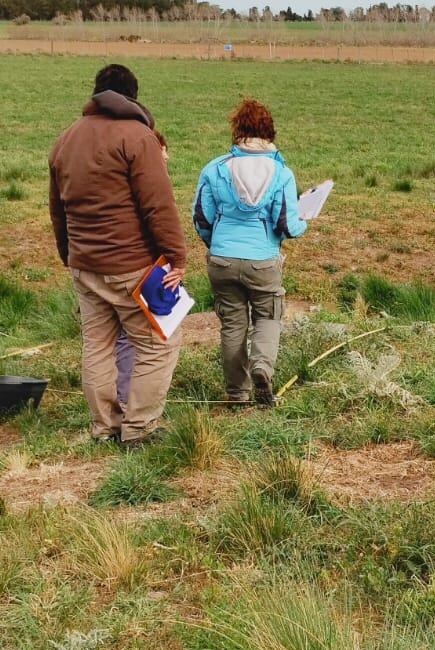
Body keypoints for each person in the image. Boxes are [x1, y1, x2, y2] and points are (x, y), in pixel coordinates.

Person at [49, 65, 187, 447]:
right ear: (133, 96)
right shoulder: (138, 138)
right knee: (159, 342)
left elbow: (57, 210)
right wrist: (176, 257)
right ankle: (140, 429)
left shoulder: (66, 139)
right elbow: (158, 206)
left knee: (97, 345)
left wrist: (69, 256)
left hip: (84, 267)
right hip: (133, 267)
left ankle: (104, 428)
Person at [192, 98, 308, 406]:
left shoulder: (215, 169)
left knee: (232, 325)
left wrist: (216, 245)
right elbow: (287, 224)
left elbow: (201, 218)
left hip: (221, 259)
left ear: (237, 131)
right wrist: (304, 222)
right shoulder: (281, 173)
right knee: (268, 317)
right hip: (262, 261)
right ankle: (262, 367)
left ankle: (236, 393)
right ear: (270, 132)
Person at [116, 131, 168, 408]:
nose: (167, 156)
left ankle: (119, 406)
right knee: (143, 339)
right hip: (139, 269)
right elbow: (157, 219)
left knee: (121, 338)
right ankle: (134, 413)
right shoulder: (143, 183)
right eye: (162, 150)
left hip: (134, 266)